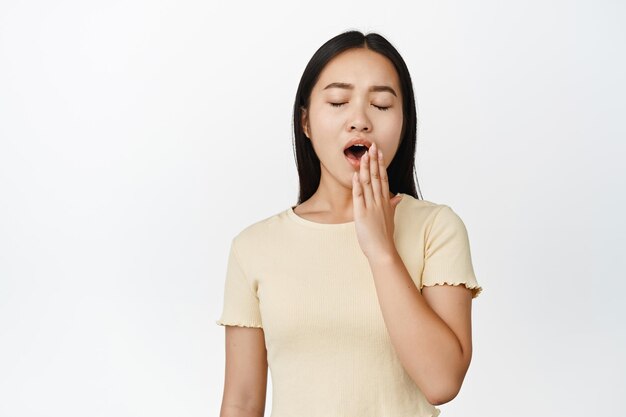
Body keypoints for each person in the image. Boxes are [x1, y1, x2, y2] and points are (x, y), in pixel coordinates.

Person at [216, 30, 483, 417]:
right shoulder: (253, 247)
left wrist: (381, 250)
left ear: (404, 123)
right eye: (339, 101)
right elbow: (240, 402)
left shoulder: (436, 229)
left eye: (381, 104)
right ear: (305, 122)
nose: (359, 120)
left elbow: (442, 381)